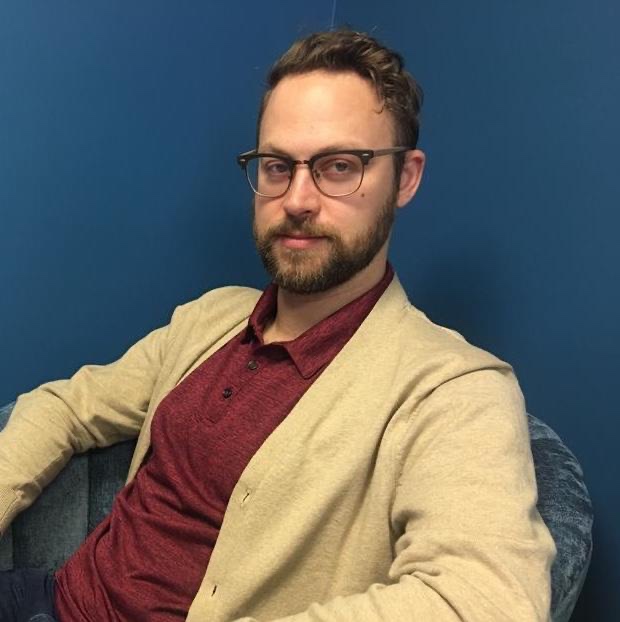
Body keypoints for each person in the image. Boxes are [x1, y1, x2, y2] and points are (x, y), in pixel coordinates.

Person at [0, 29, 555, 622]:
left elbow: (486, 600)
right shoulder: (211, 318)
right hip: (54, 596)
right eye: (277, 166)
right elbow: (66, 405)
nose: (297, 198)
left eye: (340, 167)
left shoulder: (453, 391)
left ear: (406, 178)